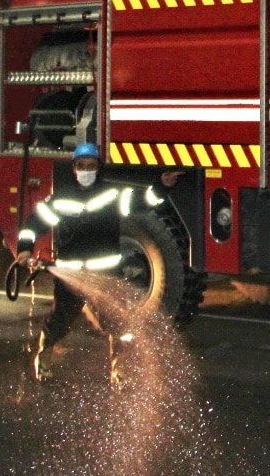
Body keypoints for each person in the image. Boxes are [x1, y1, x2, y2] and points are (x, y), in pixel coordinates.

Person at [15, 141, 161, 383]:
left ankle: (120, 371)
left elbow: (144, 200)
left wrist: (162, 185)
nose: (86, 170)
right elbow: (32, 226)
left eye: (91, 165)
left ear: (98, 168)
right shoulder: (60, 200)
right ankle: (43, 360)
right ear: (74, 168)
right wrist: (24, 250)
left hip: (105, 273)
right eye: (81, 165)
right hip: (71, 276)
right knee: (59, 322)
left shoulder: (112, 195)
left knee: (117, 323)